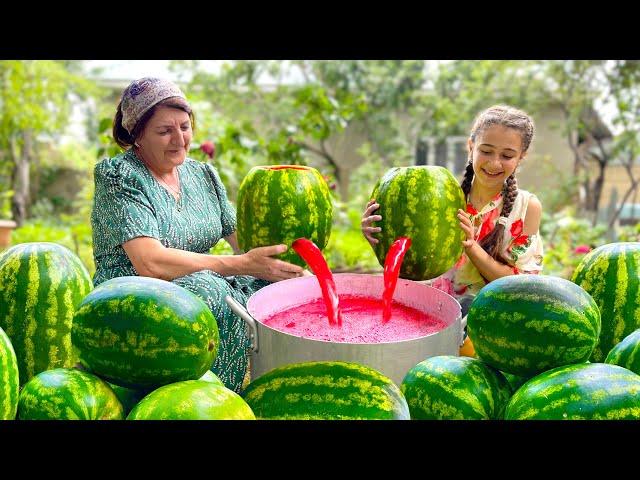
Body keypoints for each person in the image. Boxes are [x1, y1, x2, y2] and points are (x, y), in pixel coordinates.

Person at [91, 77, 304, 392]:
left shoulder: (203, 175)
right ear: (137, 136)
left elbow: (246, 244)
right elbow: (150, 263)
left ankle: (249, 390)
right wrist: (240, 264)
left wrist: (288, 260)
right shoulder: (120, 178)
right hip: (132, 303)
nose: (179, 139)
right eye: (164, 131)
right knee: (210, 289)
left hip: (202, 287)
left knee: (272, 283)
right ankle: (193, 400)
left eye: (185, 127)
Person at [361, 105, 544, 345]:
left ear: (521, 158)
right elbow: (412, 268)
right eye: (486, 151)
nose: (494, 163)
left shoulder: (527, 207)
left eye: (507, 155)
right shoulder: (440, 199)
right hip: (435, 317)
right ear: (471, 147)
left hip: (491, 328)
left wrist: (471, 246)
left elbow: (520, 287)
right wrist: (379, 237)